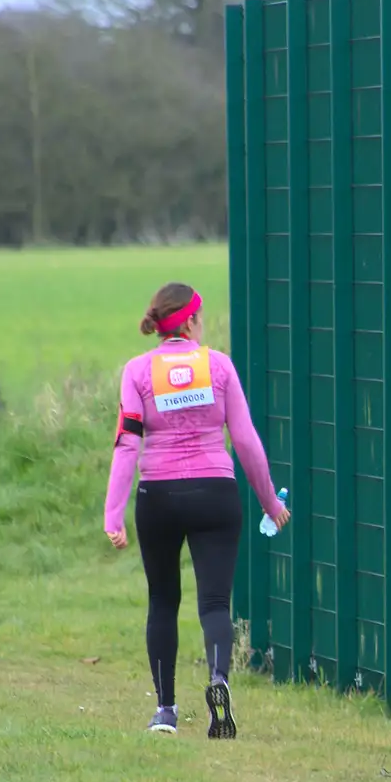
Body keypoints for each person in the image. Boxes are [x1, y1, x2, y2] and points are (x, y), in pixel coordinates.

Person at [103, 282, 289, 737]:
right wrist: (270, 502)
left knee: (163, 602)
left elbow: (128, 444)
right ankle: (219, 682)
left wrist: (113, 514)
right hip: (215, 493)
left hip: (159, 497)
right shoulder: (218, 366)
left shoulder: (137, 371)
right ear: (189, 321)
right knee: (215, 602)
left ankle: (165, 711)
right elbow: (245, 441)